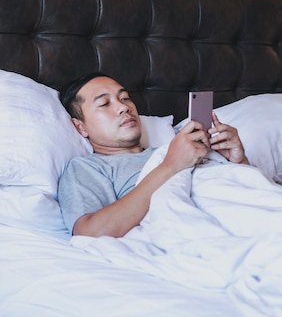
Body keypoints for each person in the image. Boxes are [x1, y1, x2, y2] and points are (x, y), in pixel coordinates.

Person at [58, 72, 249, 238]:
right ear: (80, 127)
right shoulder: (87, 167)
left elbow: (249, 196)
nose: (124, 107)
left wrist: (239, 162)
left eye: (125, 98)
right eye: (104, 103)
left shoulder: (172, 149)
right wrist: (171, 165)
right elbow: (89, 233)